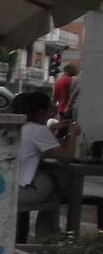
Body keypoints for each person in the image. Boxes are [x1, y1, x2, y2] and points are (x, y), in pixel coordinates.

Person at [14, 91, 80, 239]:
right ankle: (46, 237)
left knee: (47, 180)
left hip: (7, 187)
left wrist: (52, 129)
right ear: (40, 112)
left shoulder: (18, 127)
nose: (51, 115)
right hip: (21, 192)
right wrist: (73, 134)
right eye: (50, 111)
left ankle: (35, 236)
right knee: (57, 183)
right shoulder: (38, 130)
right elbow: (66, 157)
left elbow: (33, 146)